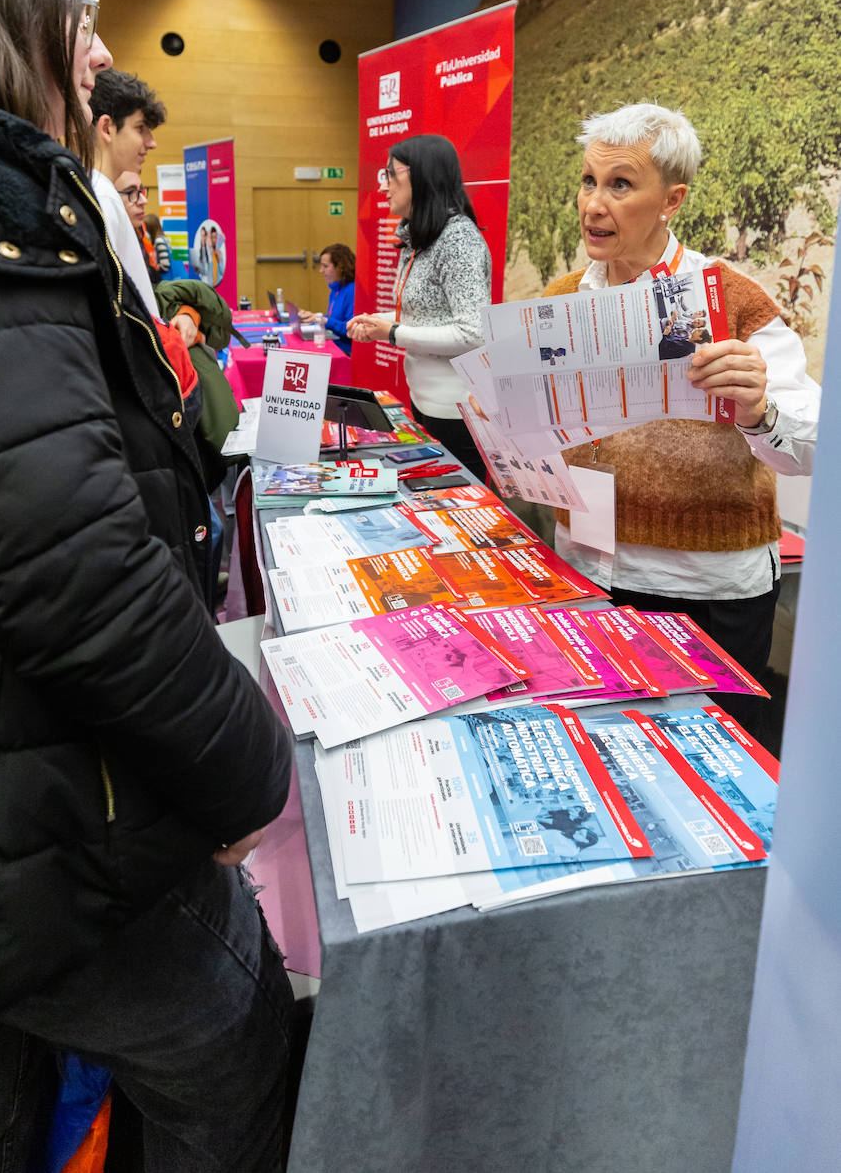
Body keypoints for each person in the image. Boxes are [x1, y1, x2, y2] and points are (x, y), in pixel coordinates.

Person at [0, 0, 293, 1170]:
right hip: (38, 838)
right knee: (235, 1054)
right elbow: (72, 568)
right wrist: (250, 767)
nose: (93, 50)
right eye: (72, 9)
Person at [542, 102, 820, 746]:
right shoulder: (559, 303)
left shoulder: (734, 300)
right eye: (588, 181)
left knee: (716, 768)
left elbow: (809, 448)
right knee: (600, 753)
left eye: (619, 185)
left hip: (706, 590)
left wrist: (761, 413)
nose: (593, 204)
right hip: (588, 572)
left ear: (673, 199)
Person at [348, 134, 491, 478]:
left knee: (457, 510)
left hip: (456, 411)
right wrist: (377, 323)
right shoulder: (419, 237)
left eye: (391, 174)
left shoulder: (458, 239)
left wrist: (393, 332)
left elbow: (473, 333)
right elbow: (422, 316)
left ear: (422, 176)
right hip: (425, 400)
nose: (384, 187)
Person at [89, 67, 164, 318]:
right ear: (107, 128)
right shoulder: (103, 197)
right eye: (140, 128)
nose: (151, 142)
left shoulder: (98, 191)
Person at [298, 243, 356, 352]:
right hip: (334, 345)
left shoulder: (352, 291)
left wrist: (323, 320)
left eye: (325, 266)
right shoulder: (335, 289)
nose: (321, 270)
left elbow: (350, 329)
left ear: (340, 267)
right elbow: (334, 320)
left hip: (345, 351)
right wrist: (313, 317)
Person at [145, 210, 173, 279]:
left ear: (150, 228)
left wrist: (153, 268)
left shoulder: (159, 241)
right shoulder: (162, 238)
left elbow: (165, 265)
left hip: (165, 279)